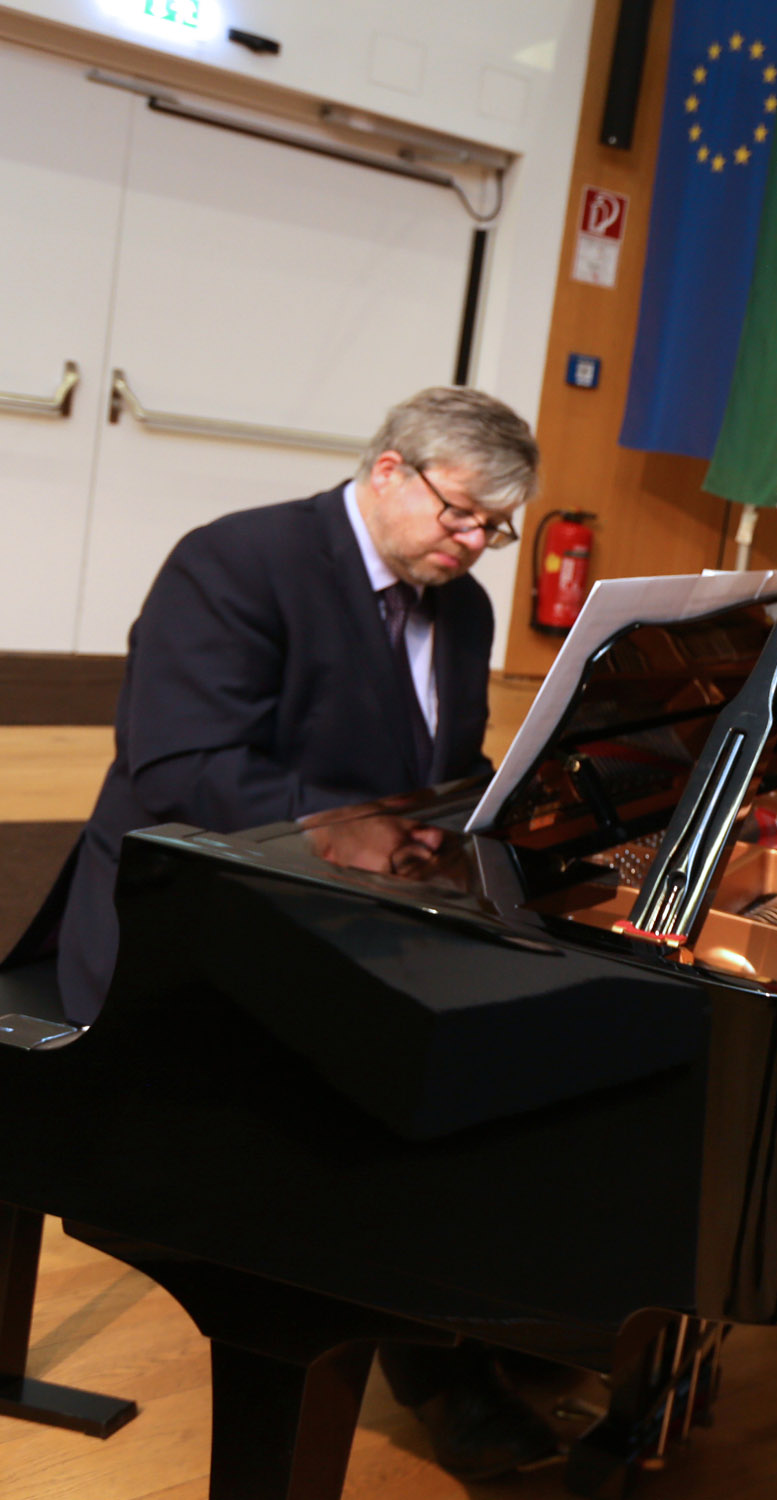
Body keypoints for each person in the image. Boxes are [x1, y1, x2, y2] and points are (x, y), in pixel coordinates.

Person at [33, 384, 560, 1478]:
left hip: (358, 909)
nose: (476, 544)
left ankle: (483, 1315)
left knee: (536, 1035)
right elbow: (180, 769)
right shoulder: (236, 562)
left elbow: (445, 771)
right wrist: (353, 831)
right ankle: (442, 1372)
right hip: (192, 918)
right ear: (388, 469)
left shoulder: (460, 607)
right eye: (462, 515)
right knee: (396, 1090)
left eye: (496, 529)